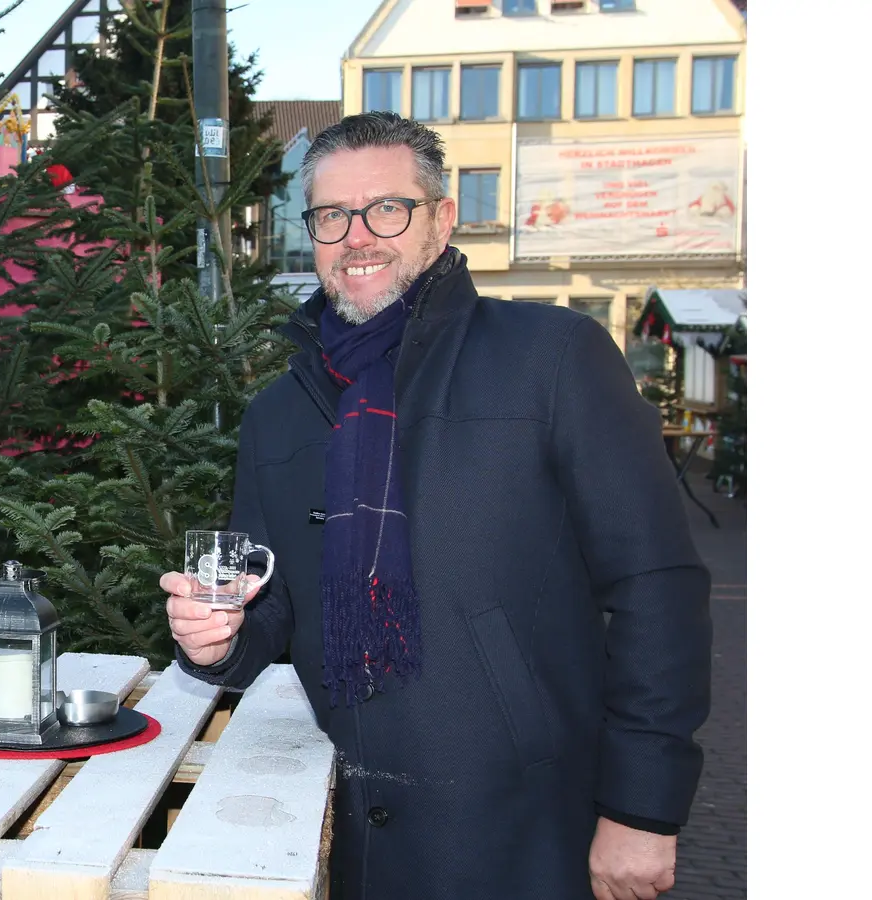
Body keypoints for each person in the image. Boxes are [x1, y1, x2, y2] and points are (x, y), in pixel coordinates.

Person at [162, 112, 711, 900]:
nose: (358, 236)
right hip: (348, 830)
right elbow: (273, 614)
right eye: (331, 216)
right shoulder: (277, 416)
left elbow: (657, 586)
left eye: (388, 208)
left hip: (527, 830)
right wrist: (215, 642)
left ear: (442, 218)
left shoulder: (551, 357)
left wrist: (643, 807)